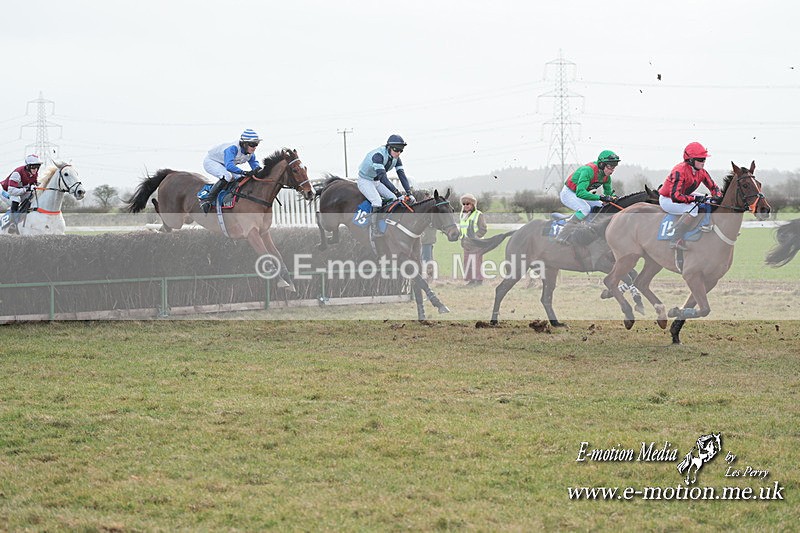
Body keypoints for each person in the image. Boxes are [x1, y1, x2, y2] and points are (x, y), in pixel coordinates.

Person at [658, 142, 723, 250]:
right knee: (692, 210)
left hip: (683, 195)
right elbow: (675, 196)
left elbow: (714, 188)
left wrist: (717, 196)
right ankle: (676, 239)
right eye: (701, 159)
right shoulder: (679, 171)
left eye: (704, 159)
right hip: (668, 199)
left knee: (708, 200)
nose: (703, 162)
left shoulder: (702, 172)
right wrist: (695, 199)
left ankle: (706, 225)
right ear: (691, 160)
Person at [357, 134, 416, 237]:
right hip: (365, 180)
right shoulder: (378, 156)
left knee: (393, 199)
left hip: (376, 181)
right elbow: (383, 178)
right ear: (389, 147)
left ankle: (388, 224)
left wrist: (409, 193)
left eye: (401, 151)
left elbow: (401, 175)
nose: (398, 153)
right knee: (377, 201)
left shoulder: (396, 158)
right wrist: (398, 193)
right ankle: (374, 228)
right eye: (396, 150)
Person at [556, 150, 619, 243]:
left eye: (614, 167)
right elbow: (580, 193)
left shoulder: (607, 177)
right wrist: (601, 197)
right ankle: (563, 234)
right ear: (601, 164)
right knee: (585, 209)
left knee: (601, 206)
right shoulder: (588, 171)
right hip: (569, 193)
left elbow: (608, 193)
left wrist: (615, 198)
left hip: (581, 193)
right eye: (610, 167)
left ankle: (588, 229)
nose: (612, 170)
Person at [200, 129, 263, 213]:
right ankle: (207, 200)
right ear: (244, 144)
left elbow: (256, 167)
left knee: (240, 178)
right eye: (252, 144)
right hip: (212, 161)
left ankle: (228, 197)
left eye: (256, 144)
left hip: (225, 163)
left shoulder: (250, 154)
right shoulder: (232, 148)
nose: (254, 147)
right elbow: (229, 166)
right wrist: (244, 172)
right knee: (228, 176)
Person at [2, 154, 42, 233]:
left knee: (32, 197)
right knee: (16, 199)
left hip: (19, 190)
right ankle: (12, 223)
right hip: (5, 191)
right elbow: (11, 190)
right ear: (27, 166)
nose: (35, 169)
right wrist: (26, 189)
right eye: (33, 167)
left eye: (37, 166)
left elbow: (33, 183)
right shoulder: (17, 173)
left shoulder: (34, 173)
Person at [459, 193, 487, 286]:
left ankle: (478, 281)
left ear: (472, 205)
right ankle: (471, 280)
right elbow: (462, 228)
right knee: (468, 263)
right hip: (466, 244)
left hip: (477, 244)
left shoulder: (478, 215)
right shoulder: (462, 216)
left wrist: (474, 238)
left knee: (476, 262)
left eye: (468, 204)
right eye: (464, 204)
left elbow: (483, 229)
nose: (466, 206)